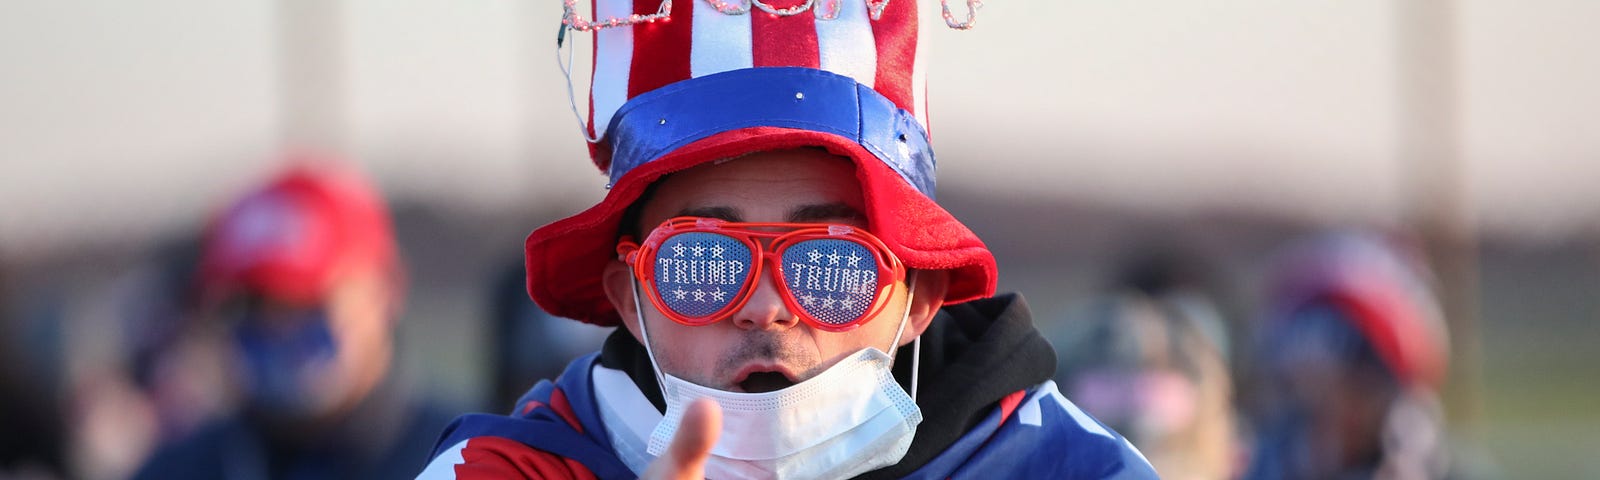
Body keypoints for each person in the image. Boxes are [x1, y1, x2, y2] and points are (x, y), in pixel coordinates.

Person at [418, 1, 1157, 478]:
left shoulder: (1065, 466)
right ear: (630, 296)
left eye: (831, 266)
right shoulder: (500, 470)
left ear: (919, 296)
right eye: (703, 262)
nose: (767, 308)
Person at [134, 159, 453, 479]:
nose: (278, 327)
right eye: (251, 304)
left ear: (386, 290)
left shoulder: (465, 461)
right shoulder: (178, 469)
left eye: (308, 300)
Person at [1243, 232, 1452, 480]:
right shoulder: (1256, 465)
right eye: (1313, 391)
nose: (1337, 412)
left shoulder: (1427, 466)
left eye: (1362, 387)